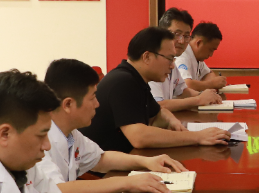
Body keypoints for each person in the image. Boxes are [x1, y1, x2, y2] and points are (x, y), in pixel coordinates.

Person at [41, 58, 188, 193]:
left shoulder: (71, 133)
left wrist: (147, 161)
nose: (97, 104)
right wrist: (127, 183)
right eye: (92, 98)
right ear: (68, 104)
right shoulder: (39, 140)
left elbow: (101, 159)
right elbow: (60, 190)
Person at [81, 26, 231, 150]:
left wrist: (172, 121)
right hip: (101, 170)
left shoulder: (136, 78)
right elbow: (139, 137)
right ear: (147, 57)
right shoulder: (123, 82)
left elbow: (159, 111)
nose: (172, 66)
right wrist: (198, 136)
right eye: (169, 59)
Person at [150, 7, 224, 111]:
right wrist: (199, 99)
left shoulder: (172, 62)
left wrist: (204, 95)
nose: (182, 41)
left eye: (186, 36)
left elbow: (183, 91)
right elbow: (157, 106)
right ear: (161, 33)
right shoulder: (152, 62)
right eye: (177, 34)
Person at [176, 21, 228, 92]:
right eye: (210, 50)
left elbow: (208, 74)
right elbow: (187, 84)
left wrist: (214, 82)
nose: (211, 55)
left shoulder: (198, 58)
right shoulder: (182, 56)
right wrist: (212, 84)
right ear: (199, 43)